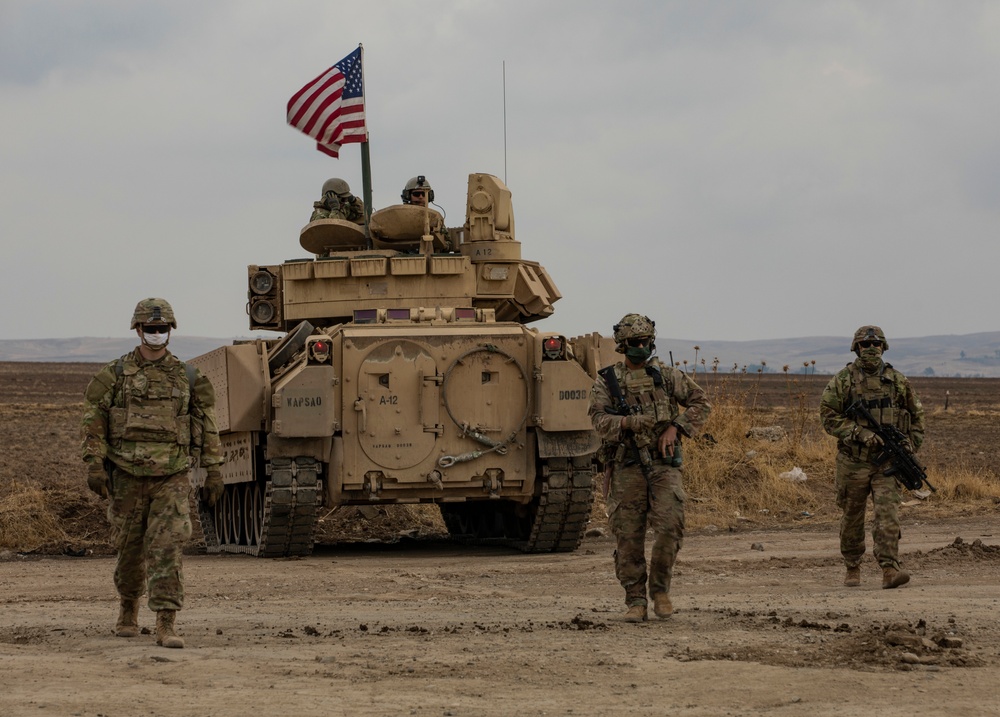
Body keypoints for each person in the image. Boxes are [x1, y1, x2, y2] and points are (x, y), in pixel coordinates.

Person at [80, 298, 225, 648]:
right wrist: (94, 464)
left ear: (170, 331)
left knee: (167, 547)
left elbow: (206, 425)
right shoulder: (113, 375)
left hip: (171, 475)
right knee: (129, 549)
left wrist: (214, 469)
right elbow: (93, 420)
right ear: (138, 330)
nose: (157, 334)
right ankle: (128, 608)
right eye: (151, 329)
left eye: (163, 329)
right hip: (126, 474)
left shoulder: (189, 377)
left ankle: (165, 623)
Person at [588, 313, 711, 622]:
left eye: (646, 342)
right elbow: (598, 420)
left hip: (663, 465)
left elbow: (701, 403)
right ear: (623, 346)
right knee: (628, 537)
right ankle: (635, 599)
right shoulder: (608, 380)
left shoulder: (667, 376)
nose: (642, 347)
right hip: (627, 466)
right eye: (635, 343)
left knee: (670, 527)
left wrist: (676, 429)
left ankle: (660, 591)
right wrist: (628, 422)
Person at [820, 325, 925, 590]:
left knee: (887, 515)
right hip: (853, 460)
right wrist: (858, 432)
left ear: (883, 348)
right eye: (865, 345)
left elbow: (916, 416)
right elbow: (828, 416)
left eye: (876, 345)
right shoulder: (843, 380)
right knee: (852, 515)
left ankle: (890, 568)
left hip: (888, 463)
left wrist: (910, 445)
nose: (871, 349)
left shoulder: (898, 381)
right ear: (856, 348)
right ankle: (852, 566)